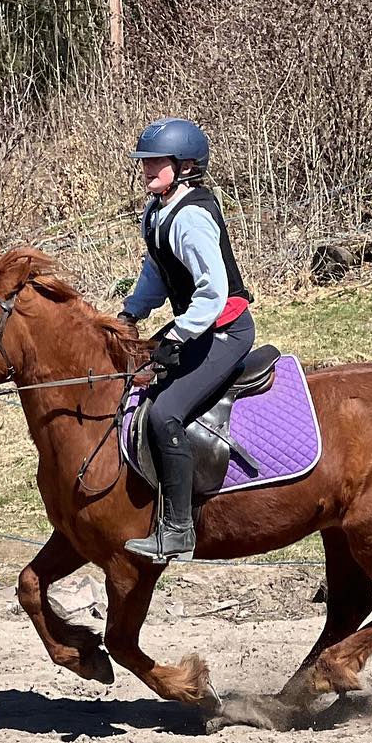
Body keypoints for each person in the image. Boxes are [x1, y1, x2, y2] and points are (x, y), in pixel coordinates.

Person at [118, 117, 255, 564]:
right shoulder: (158, 211)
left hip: (224, 330)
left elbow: (212, 293)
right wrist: (130, 313)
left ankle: (178, 530)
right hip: (197, 326)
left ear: (186, 165)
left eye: (156, 162)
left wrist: (174, 337)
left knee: (164, 415)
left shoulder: (192, 216)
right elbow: (156, 273)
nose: (146, 169)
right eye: (145, 161)